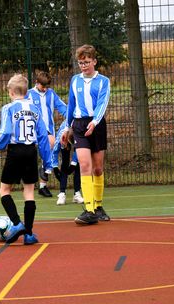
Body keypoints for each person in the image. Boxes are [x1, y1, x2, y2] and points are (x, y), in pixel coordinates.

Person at [0, 74, 52, 245]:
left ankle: (17, 223)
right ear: (26, 91)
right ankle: (29, 234)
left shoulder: (8, 108)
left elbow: (5, 132)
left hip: (16, 151)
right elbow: (43, 138)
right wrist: (48, 162)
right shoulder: (35, 109)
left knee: (4, 190)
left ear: (10, 91)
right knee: (29, 192)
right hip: (31, 151)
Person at [61, 44, 111, 225]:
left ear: (94, 61)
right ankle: (89, 210)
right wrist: (67, 128)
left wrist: (95, 121)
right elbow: (71, 105)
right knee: (84, 165)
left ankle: (98, 206)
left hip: (96, 124)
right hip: (80, 125)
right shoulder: (75, 80)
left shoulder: (103, 81)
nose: (84, 66)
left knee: (97, 168)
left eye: (87, 62)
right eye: (81, 63)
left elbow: (102, 104)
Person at [26, 71, 67, 198]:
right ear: (36, 83)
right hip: (31, 130)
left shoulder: (51, 94)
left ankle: (43, 185)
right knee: (30, 156)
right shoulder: (29, 95)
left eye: (46, 86)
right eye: (42, 86)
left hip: (48, 130)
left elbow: (62, 107)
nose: (44, 89)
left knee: (50, 146)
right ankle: (37, 177)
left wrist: (71, 117)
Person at [52, 122, 84, 206]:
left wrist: (73, 163)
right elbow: (54, 152)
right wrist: (55, 167)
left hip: (78, 136)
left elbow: (79, 149)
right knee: (64, 164)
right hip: (65, 137)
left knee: (78, 165)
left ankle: (77, 193)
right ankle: (62, 193)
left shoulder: (79, 132)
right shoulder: (61, 136)